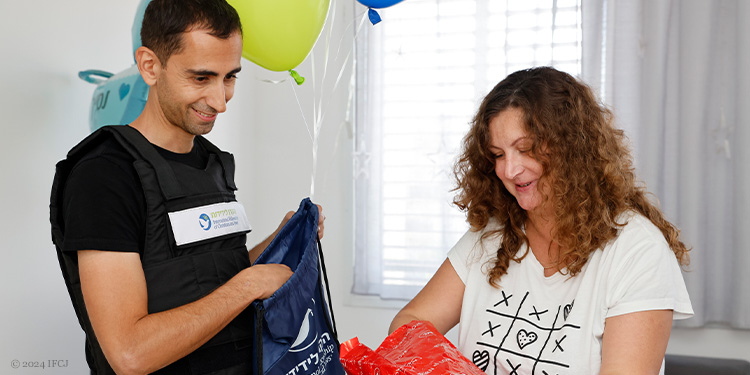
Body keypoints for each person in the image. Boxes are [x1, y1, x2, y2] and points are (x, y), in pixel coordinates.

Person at [49, 1, 324, 374]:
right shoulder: (104, 176)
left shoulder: (212, 163)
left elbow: (206, 276)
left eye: (230, 77)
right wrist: (247, 287)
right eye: (201, 78)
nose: (220, 101)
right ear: (150, 66)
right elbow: (130, 354)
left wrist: (280, 240)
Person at [389, 67, 693, 374]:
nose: (509, 170)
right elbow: (408, 324)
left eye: (525, 149)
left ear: (572, 147)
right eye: (497, 154)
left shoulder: (637, 250)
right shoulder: (493, 235)